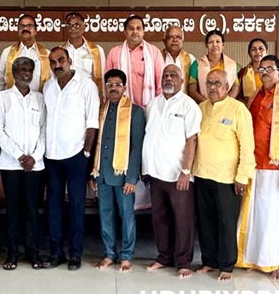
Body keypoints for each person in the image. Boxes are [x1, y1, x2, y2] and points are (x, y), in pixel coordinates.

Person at [236, 55, 279, 279]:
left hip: (276, 168)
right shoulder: (255, 96)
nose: (265, 72)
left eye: (270, 68)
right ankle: (254, 258)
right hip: (253, 165)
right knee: (255, 215)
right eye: (262, 69)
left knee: (274, 216)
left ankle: (276, 261)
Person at [193, 69, 255, 281]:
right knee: (206, 222)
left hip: (228, 179)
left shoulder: (238, 109)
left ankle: (227, 265)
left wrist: (242, 176)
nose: (213, 87)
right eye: (209, 83)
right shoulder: (201, 108)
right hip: (202, 174)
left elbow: (247, 145)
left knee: (226, 223)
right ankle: (209, 261)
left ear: (227, 87)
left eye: (217, 83)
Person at [42, 47, 100, 270]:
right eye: (53, 62)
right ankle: (56, 252)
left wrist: (86, 152)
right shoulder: (48, 86)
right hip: (52, 156)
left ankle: (75, 254)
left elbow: (92, 122)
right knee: (53, 207)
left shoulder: (86, 86)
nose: (57, 65)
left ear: (70, 61)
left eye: (61, 60)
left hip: (76, 155)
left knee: (76, 206)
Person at [143, 64, 201, 278]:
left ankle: (183, 262)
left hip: (178, 175)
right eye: (165, 75)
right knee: (160, 218)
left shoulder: (189, 105)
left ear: (182, 81)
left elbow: (192, 140)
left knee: (183, 220)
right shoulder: (153, 104)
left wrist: (186, 171)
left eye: (173, 75)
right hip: (155, 173)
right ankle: (163, 257)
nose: (168, 78)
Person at [0, 57, 47, 270]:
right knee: (13, 211)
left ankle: (33, 252)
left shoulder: (39, 98)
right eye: (22, 69)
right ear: (14, 73)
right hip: (11, 165)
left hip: (35, 165)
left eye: (30, 70)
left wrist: (35, 156)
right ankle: (12, 253)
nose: (26, 73)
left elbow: (44, 129)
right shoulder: (3, 98)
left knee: (33, 210)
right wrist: (19, 155)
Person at [89, 69, 146, 272]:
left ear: (124, 87)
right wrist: (91, 173)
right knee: (105, 215)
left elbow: (136, 146)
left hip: (123, 176)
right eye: (109, 85)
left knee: (126, 215)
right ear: (105, 87)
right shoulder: (100, 111)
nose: (113, 88)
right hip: (102, 173)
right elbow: (94, 144)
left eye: (117, 85)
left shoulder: (135, 112)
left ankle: (127, 256)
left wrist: (131, 178)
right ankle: (109, 254)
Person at [105, 14, 163, 108]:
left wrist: (159, 107)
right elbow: (107, 83)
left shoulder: (154, 52)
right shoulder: (114, 53)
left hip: (149, 107)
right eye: (131, 28)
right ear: (125, 32)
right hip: (120, 108)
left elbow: (161, 83)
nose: (135, 31)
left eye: (138, 28)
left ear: (143, 32)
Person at [0, 14, 51, 92]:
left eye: (29, 26)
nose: (25, 28)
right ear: (18, 31)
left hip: (38, 98)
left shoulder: (47, 54)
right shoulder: (7, 52)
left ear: (35, 31)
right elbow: (1, 82)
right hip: (11, 98)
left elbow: (51, 82)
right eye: (22, 26)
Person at [62, 12, 106, 102]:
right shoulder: (61, 51)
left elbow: (102, 78)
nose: (72, 28)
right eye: (69, 25)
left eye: (76, 25)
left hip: (88, 96)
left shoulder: (97, 51)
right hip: (66, 97)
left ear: (84, 27)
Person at [188, 30, 240, 103]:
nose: (214, 45)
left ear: (223, 45)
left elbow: (236, 87)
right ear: (206, 45)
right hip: (203, 106)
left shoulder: (232, 65)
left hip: (227, 106)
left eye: (218, 41)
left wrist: (225, 104)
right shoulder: (197, 64)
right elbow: (192, 90)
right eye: (211, 42)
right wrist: (207, 104)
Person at [161, 26, 196, 95]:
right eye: (171, 37)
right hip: (162, 99)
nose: (175, 40)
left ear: (182, 41)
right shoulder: (157, 57)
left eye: (178, 37)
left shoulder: (191, 59)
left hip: (183, 100)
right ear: (164, 41)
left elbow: (193, 87)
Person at [236, 37, 268, 106]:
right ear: (249, 53)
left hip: (267, 108)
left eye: (261, 48)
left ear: (266, 51)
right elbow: (239, 95)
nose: (257, 51)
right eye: (253, 49)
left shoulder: (274, 72)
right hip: (246, 109)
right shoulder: (243, 72)